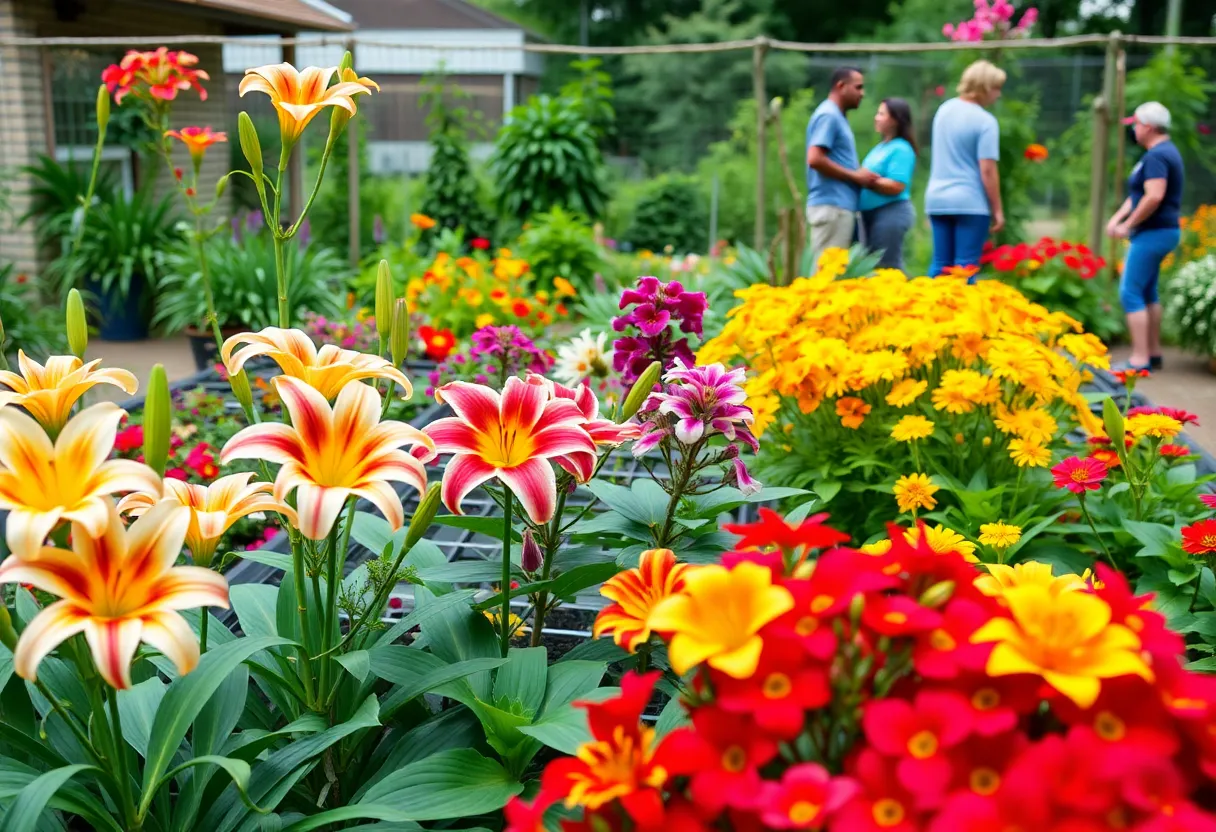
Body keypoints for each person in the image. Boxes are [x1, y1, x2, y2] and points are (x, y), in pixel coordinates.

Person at [1107, 101, 1184, 372]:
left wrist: (1128, 225)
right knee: (1147, 291)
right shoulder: (1161, 152)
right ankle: (1153, 353)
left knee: (1129, 292)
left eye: (1136, 124)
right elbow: (1139, 194)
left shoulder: (1156, 157)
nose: (1134, 130)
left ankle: (1138, 359)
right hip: (1163, 231)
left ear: (1148, 127)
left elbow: (1154, 196)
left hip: (1153, 233)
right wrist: (1118, 218)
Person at [925, 60, 1006, 279]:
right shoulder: (985, 121)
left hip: (937, 200)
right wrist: (998, 210)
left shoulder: (943, 110)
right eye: (997, 88)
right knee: (965, 268)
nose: (998, 94)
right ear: (985, 87)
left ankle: (928, 312)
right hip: (969, 203)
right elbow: (987, 170)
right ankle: (964, 313)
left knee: (940, 265)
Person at [806, 66, 878, 264]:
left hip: (838, 206)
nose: (862, 94)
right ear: (841, 86)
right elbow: (815, 158)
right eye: (858, 87)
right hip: (832, 207)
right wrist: (856, 176)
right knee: (827, 276)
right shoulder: (829, 115)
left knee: (837, 275)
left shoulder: (836, 117)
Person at [859, 98, 918, 271]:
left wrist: (869, 180)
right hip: (871, 215)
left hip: (890, 212)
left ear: (895, 120)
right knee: (872, 267)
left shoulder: (901, 149)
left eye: (881, 114)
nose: (876, 118)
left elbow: (897, 185)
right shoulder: (880, 148)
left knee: (887, 266)